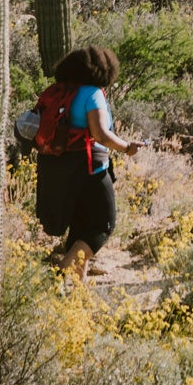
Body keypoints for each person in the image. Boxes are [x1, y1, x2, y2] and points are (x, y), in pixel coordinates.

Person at [40, 45, 144, 279]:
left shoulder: (60, 91)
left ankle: (77, 293)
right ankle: (57, 275)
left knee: (80, 230)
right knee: (101, 227)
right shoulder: (92, 93)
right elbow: (100, 134)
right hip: (89, 169)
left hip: (59, 167)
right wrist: (127, 147)